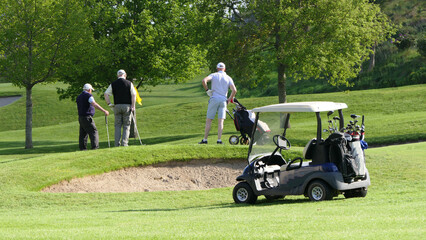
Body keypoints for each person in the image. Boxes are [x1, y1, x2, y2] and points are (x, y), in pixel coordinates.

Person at [199, 62, 237, 144]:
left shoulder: (214, 75)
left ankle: (205, 139)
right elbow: (234, 90)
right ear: (225, 69)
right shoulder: (228, 77)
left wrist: (207, 90)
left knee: (209, 120)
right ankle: (219, 140)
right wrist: (229, 100)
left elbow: (204, 81)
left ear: (217, 68)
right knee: (221, 121)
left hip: (214, 99)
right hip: (223, 100)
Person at [104, 69, 137, 147]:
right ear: (125, 75)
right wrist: (133, 106)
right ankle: (124, 144)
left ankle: (117, 144)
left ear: (117, 75)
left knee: (118, 125)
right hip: (127, 106)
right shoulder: (129, 83)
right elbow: (134, 95)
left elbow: (106, 94)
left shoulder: (113, 84)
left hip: (117, 106)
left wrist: (109, 103)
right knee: (126, 125)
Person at [76, 83, 109, 150]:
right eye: (91, 90)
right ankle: (95, 147)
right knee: (93, 131)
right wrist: (104, 110)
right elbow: (94, 104)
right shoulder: (88, 96)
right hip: (87, 117)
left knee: (83, 133)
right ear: (89, 89)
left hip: (80, 117)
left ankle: (82, 148)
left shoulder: (79, 96)